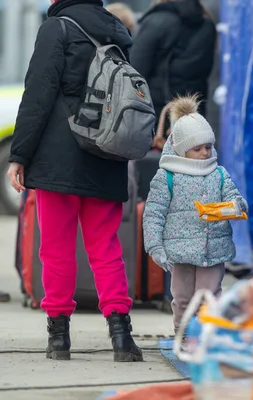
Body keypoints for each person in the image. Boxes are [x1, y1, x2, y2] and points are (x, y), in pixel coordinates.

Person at [6, 0, 143, 362]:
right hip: (106, 153)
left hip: (58, 158)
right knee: (106, 248)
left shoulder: (58, 28)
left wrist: (19, 155)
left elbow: (38, 94)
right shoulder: (118, 32)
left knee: (56, 249)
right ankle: (121, 337)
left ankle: (59, 337)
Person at [143, 95, 247, 335]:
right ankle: (183, 333)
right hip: (180, 254)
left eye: (208, 147)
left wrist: (237, 205)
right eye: (197, 148)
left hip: (214, 251)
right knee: (182, 298)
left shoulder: (218, 174)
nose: (204, 153)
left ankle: (207, 337)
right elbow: (154, 214)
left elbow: (234, 197)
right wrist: (155, 246)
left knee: (210, 297)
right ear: (181, 150)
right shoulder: (167, 177)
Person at [130, 0, 217, 147]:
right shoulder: (207, 24)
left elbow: (134, 72)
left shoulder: (156, 21)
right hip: (194, 116)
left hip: (158, 119)